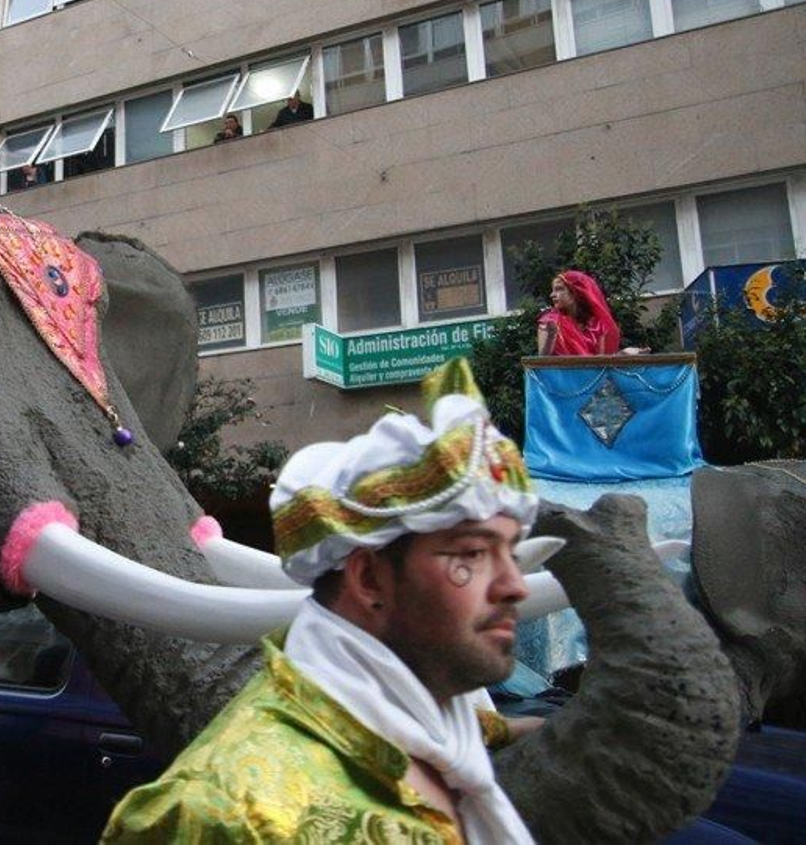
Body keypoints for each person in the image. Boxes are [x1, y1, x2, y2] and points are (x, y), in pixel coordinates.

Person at [104, 359, 538, 844]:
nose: (514, 585)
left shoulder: (447, 742)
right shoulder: (227, 812)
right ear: (369, 578)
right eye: (473, 554)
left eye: (512, 552)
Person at [537, 269, 621, 356]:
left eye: (559, 289)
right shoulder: (550, 321)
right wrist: (550, 337)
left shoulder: (598, 325)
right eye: (553, 290)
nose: (552, 295)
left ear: (575, 292)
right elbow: (542, 360)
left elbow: (604, 360)